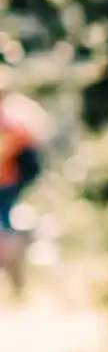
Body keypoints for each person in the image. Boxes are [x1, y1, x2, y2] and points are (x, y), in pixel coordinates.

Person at [0, 90, 50, 299]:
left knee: (4, 225)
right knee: (5, 223)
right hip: (10, 182)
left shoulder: (9, 119)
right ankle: (14, 273)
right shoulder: (14, 116)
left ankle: (12, 267)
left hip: (6, 182)